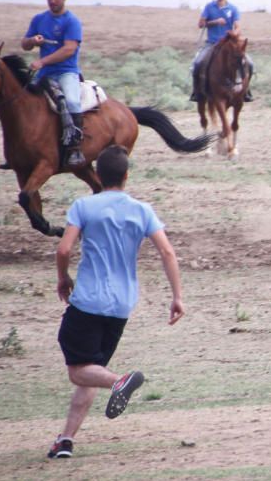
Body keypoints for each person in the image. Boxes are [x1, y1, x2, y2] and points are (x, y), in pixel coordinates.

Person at [48, 145, 185, 459]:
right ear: (126, 176)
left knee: (77, 370)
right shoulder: (142, 210)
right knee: (90, 370)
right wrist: (177, 296)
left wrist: (63, 277)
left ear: (97, 175)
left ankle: (120, 381)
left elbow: (64, 250)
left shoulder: (84, 206)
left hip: (88, 301)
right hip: (122, 305)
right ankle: (65, 440)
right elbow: (167, 252)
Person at [22, 0, 87, 167]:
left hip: (66, 72)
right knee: (23, 101)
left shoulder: (71, 21)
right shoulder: (39, 19)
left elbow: (68, 50)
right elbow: (24, 45)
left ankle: (75, 148)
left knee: (73, 101)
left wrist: (41, 61)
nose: (52, 0)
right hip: (45, 74)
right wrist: (32, 40)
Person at [190, 0, 253, 102]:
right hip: (212, 43)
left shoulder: (233, 9)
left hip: (228, 45)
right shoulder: (209, 7)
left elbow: (237, 26)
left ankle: (246, 91)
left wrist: (236, 33)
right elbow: (201, 24)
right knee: (197, 63)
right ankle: (196, 92)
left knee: (249, 63)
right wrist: (215, 22)